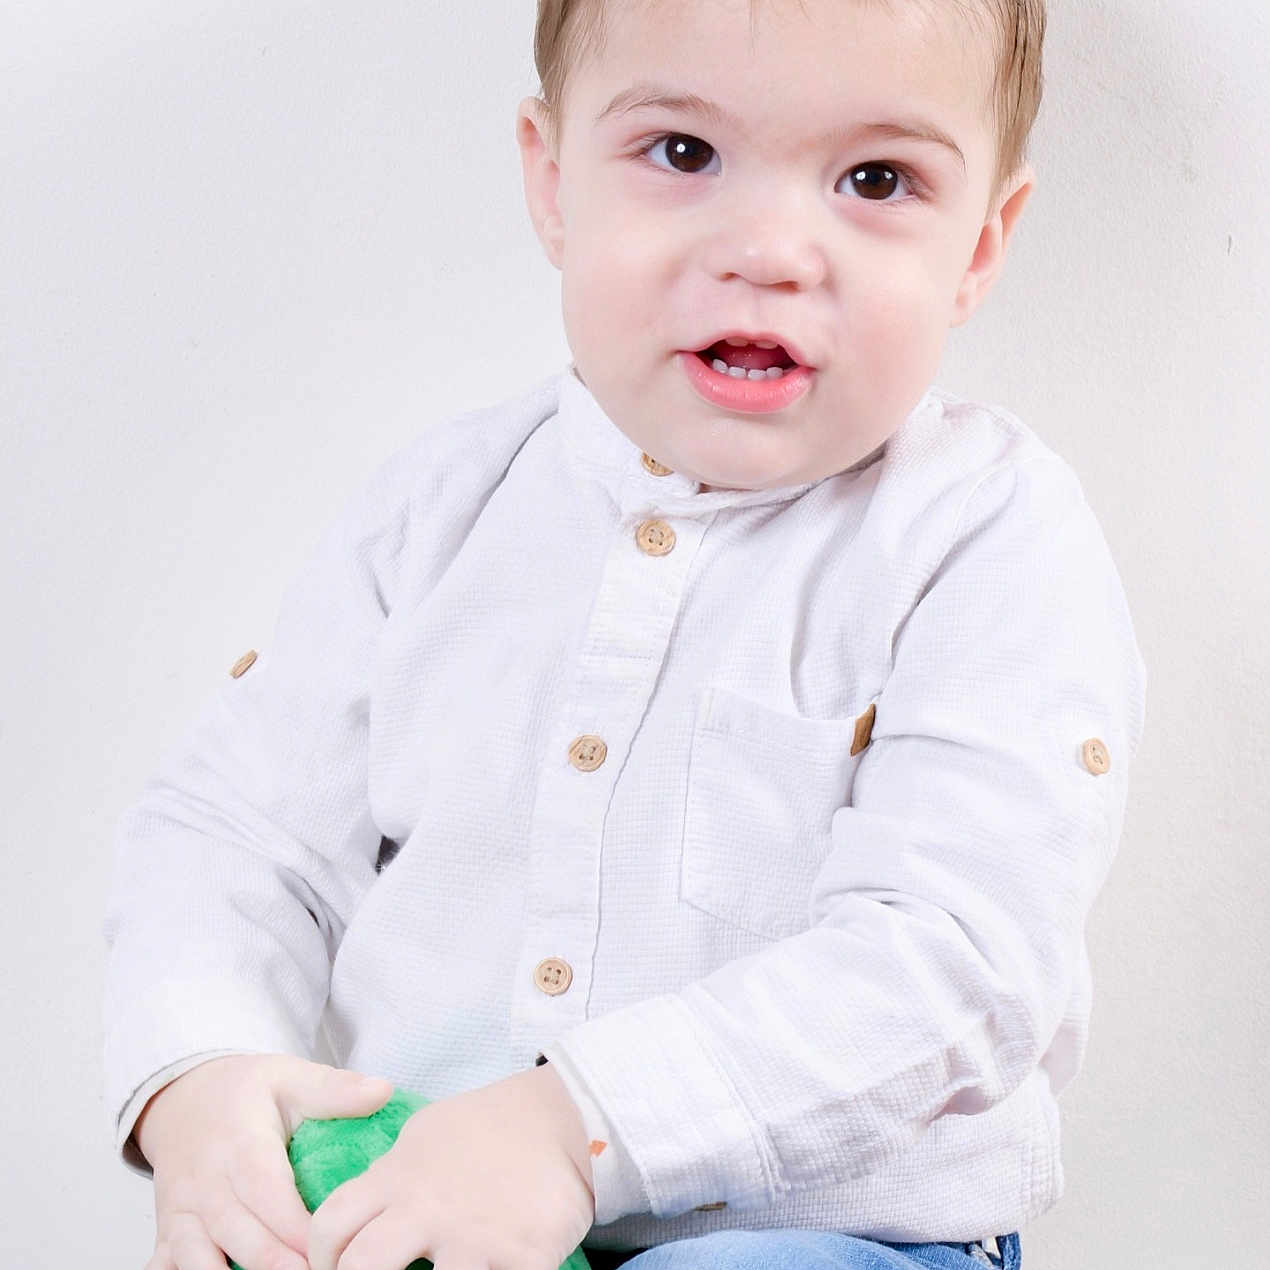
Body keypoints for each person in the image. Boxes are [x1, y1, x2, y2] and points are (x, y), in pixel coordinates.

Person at [102, 1, 1147, 1268]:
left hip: (821, 1237)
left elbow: (958, 961)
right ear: (552, 183)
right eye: (682, 153)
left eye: (875, 179)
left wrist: (574, 1131)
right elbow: (236, 837)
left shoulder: (982, 537)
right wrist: (199, 1071)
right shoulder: (436, 515)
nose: (769, 250)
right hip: (414, 1209)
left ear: (979, 247)